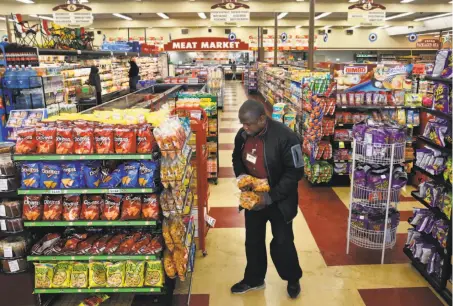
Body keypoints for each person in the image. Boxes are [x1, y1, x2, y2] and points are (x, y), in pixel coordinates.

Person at [231, 100, 303, 299]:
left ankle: (292, 278)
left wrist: (270, 197)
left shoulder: (287, 137)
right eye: (242, 123)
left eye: (248, 124)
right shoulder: (243, 135)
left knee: (283, 241)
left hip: (279, 200)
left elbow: (295, 173)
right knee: (252, 240)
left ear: (262, 119)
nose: (244, 127)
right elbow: (237, 157)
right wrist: (241, 177)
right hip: (253, 198)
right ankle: (254, 278)